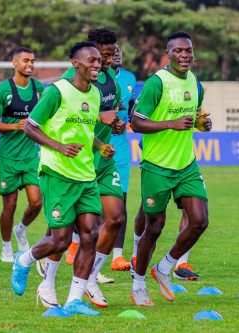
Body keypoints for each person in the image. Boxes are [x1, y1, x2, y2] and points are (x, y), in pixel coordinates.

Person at [11, 41, 116, 316]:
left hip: (86, 176)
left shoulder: (93, 95)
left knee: (90, 236)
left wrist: (98, 146)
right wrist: (59, 147)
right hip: (57, 173)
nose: (97, 65)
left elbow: (85, 131)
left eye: (98, 61)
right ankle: (24, 259)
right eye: (91, 61)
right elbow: (30, 127)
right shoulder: (56, 91)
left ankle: (74, 301)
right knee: (59, 240)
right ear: (76, 64)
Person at [130, 31, 212, 306]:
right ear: (168, 54)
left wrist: (202, 124)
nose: (185, 55)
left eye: (189, 50)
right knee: (154, 227)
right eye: (178, 51)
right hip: (157, 166)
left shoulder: (195, 83)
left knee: (200, 220)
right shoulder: (157, 83)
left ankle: (164, 268)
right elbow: (137, 122)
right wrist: (170, 124)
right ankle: (138, 283)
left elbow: (195, 118)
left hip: (186, 164)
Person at [54, 28, 125, 309]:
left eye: (109, 55)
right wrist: (99, 116)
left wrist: (116, 123)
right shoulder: (66, 83)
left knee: (115, 218)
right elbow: (65, 117)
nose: (105, 61)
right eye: (101, 56)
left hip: (104, 161)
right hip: (75, 162)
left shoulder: (112, 83)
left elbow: (113, 117)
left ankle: (90, 278)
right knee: (60, 231)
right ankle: (45, 273)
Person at [0, 47, 44, 262]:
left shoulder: (39, 88)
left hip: (31, 154)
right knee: (9, 206)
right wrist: (15, 127)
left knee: (36, 202)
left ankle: (21, 230)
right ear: (14, 63)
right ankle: (6, 247)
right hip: (8, 157)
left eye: (32, 61)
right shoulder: (3, 90)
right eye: (25, 60)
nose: (30, 64)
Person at [109, 45, 136, 271]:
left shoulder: (129, 78)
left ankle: (117, 256)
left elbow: (132, 108)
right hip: (96, 143)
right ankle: (74, 243)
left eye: (119, 50)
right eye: (112, 51)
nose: (117, 53)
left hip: (121, 145)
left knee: (121, 200)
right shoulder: (96, 77)